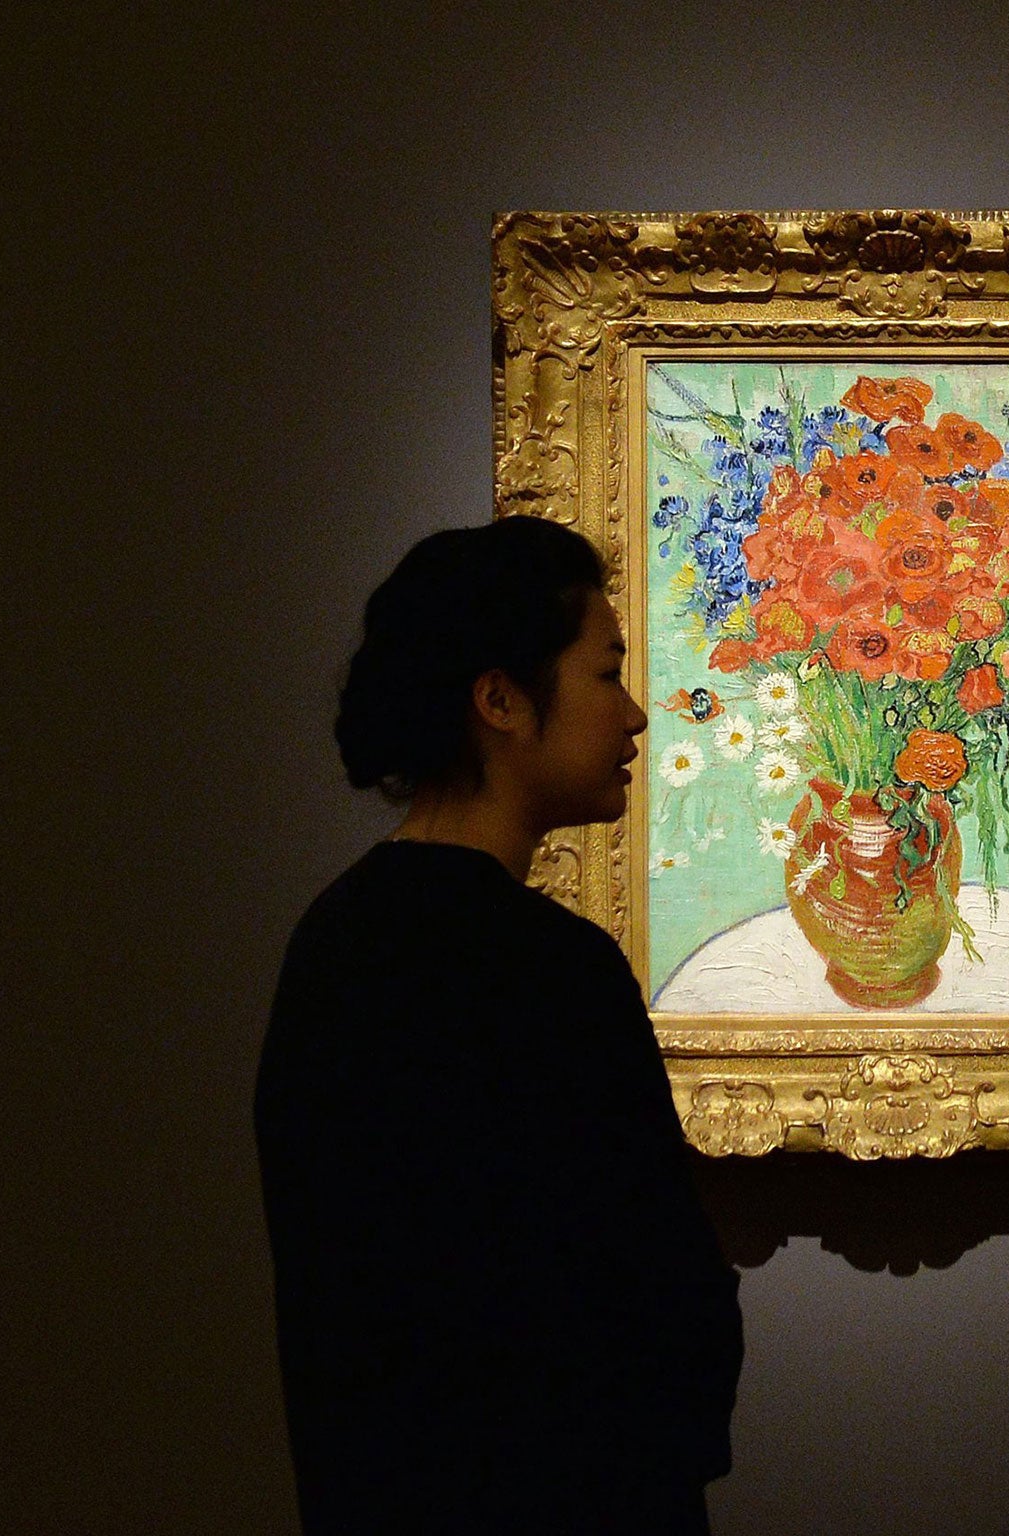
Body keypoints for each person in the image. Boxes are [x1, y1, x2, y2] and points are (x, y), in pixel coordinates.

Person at [255, 517, 742, 1534]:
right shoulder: (550, 970)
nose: (636, 714)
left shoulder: (331, 946)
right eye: (606, 674)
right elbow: (658, 1301)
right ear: (500, 699)